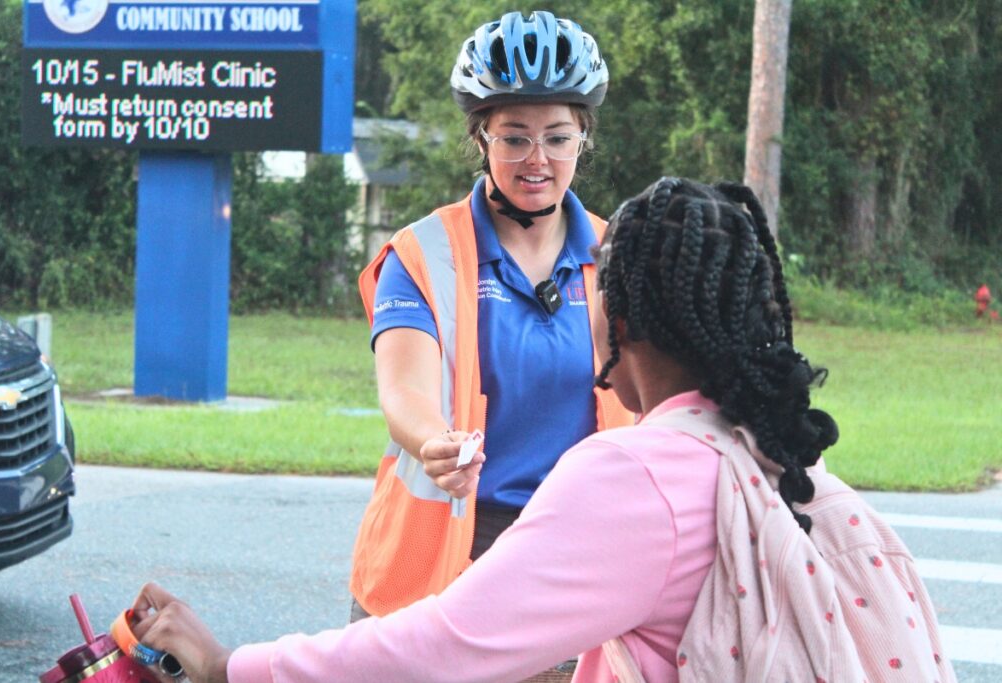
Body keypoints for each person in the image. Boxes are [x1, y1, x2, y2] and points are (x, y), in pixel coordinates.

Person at [128, 177, 955, 682]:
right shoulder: (781, 458)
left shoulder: (637, 476)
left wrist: (230, 662)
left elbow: (443, 646)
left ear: (617, 316)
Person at [346, 8, 631, 633]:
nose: (538, 159)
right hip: (436, 565)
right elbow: (404, 389)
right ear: (482, 139)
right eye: (514, 137)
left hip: (577, 560)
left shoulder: (622, 255)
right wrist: (435, 443)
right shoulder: (425, 254)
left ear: (583, 140)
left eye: (558, 137)